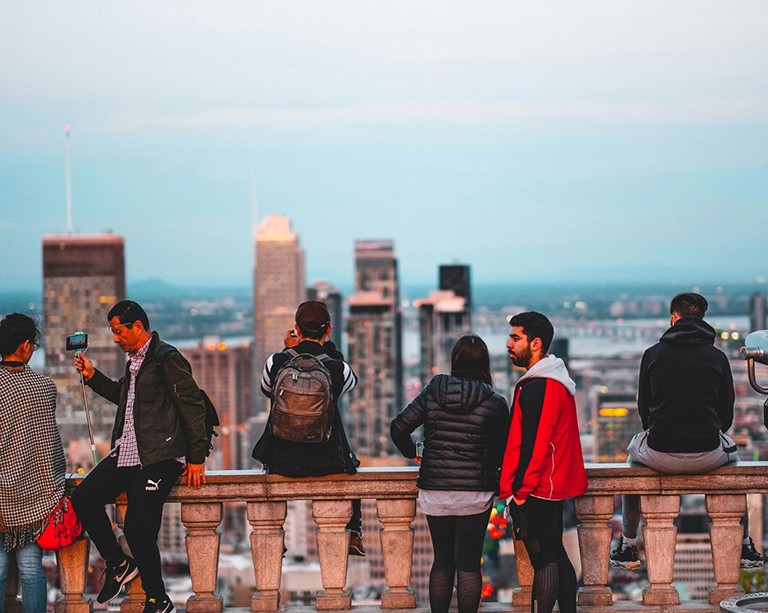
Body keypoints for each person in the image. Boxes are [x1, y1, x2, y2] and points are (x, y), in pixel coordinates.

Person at [610, 292, 764, 570]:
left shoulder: (652, 355)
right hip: (708, 454)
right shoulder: (717, 358)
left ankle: (628, 545)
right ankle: (744, 545)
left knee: (632, 460)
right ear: (703, 319)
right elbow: (725, 416)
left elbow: (645, 411)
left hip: (658, 452)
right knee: (734, 458)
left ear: (673, 318)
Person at [71, 300, 208, 613]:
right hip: (128, 452)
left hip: (159, 456)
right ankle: (119, 565)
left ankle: (157, 599)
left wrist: (196, 457)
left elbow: (193, 407)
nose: (115, 338)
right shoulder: (135, 361)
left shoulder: (166, 358)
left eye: (118, 331)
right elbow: (124, 397)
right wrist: (92, 376)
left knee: (137, 529)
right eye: (113, 332)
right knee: (84, 498)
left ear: (137, 326)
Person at [390, 335, 510, 613]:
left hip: (436, 488)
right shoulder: (494, 402)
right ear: (485, 363)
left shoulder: (434, 391)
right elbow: (505, 449)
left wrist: (415, 452)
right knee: (468, 563)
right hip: (475, 491)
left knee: (442, 561)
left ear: (454, 361)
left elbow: (399, 427)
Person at [252, 300, 364, 556]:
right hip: (326, 461)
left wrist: (288, 350)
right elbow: (348, 384)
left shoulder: (276, 361)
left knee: (267, 472)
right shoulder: (338, 367)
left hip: (281, 459)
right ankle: (354, 532)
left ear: (296, 329)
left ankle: (272, 534)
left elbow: (266, 390)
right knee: (353, 466)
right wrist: (329, 350)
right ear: (328, 330)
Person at [499, 311, 587, 613]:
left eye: (515, 338)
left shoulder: (541, 385)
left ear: (535, 343)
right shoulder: (551, 381)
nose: (508, 344)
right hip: (551, 484)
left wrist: (520, 492)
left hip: (538, 488)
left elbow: (537, 443)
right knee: (557, 555)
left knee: (544, 559)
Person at [0, 313, 66, 613]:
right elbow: (49, 445)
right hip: (34, 500)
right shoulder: (44, 388)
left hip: (0, 501)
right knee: (31, 571)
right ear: (25, 346)